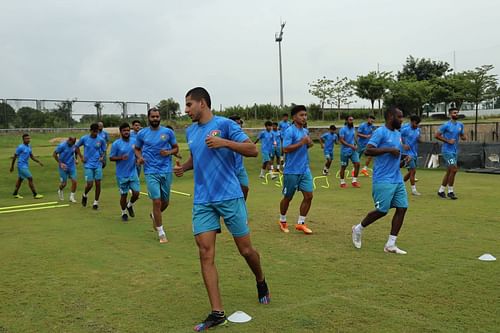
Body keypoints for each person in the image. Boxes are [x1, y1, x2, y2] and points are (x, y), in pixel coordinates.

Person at [174, 87, 269, 331]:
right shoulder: (191, 131)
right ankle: (217, 313)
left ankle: (260, 280)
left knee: (246, 250)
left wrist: (223, 142)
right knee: (205, 253)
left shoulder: (225, 125)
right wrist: (184, 167)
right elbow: (197, 157)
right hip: (203, 200)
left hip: (229, 196)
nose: (186, 110)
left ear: (202, 103)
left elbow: (252, 149)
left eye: (188, 105)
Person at [351, 107, 409, 255]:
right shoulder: (380, 132)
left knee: (402, 208)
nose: (402, 120)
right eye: (400, 117)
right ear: (391, 117)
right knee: (382, 210)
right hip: (383, 179)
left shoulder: (398, 134)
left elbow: (394, 156)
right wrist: (389, 150)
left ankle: (391, 244)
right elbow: (368, 150)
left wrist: (403, 160)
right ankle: (358, 228)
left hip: (396, 178)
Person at [135, 107, 178, 243]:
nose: (155, 119)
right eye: (153, 117)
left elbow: (175, 148)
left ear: (160, 118)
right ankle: (161, 232)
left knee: (165, 202)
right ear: (148, 118)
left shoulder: (168, 132)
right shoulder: (142, 133)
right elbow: (136, 148)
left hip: (165, 170)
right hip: (150, 171)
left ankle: (154, 215)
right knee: (156, 200)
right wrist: (140, 157)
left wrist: (169, 152)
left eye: (157, 117)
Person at [278, 105, 314, 234]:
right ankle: (282, 220)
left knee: (309, 196)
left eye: (305, 115)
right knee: (288, 197)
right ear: (294, 117)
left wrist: (309, 143)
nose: (304, 117)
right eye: (301, 115)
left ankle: (301, 223)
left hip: (305, 169)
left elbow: (307, 145)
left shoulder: (305, 131)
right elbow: (285, 149)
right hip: (291, 171)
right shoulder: (289, 131)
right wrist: (302, 142)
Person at [110, 123, 140, 222]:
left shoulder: (134, 141)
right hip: (121, 174)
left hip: (133, 172)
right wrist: (120, 158)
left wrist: (138, 159)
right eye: (124, 130)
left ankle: (129, 205)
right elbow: (111, 157)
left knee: (136, 193)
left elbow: (138, 151)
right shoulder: (116, 144)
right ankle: (123, 212)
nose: (126, 132)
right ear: (121, 131)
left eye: (128, 130)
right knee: (124, 195)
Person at [434, 107, 466, 200]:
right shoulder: (446, 125)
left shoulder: (460, 125)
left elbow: (462, 134)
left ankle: (441, 191)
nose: (456, 114)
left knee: (449, 171)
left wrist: (463, 137)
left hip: (455, 151)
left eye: (457, 113)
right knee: (454, 169)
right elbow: (436, 135)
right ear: (450, 115)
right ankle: (450, 192)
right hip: (447, 151)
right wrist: (447, 141)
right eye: (454, 113)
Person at [76, 123, 107, 209]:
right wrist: (81, 157)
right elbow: (76, 147)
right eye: (94, 132)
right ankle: (84, 195)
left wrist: (102, 157)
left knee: (98, 183)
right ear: (90, 131)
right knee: (89, 184)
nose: (95, 134)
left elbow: (104, 150)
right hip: (88, 164)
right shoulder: (84, 138)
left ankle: (96, 202)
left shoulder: (101, 139)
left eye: (96, 132)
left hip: (98, 164)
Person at [10, 134, 44, 199]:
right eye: (26, 139)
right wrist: (12, 167)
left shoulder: (29, 147)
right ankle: (35, 194)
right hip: (21, 165)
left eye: (29, 138)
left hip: (25, 165)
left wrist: (38, 161)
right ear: (23, 139)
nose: (28, 140)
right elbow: (14, 157)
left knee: (20, 180)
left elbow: (31, 156)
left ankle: (15, 193)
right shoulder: (20, 147)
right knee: (30, 178)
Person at [229, 115, 250, 200]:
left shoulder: (241, 137)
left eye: (239, 124)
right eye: (236, 124)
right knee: (229, 193)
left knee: (245, 188)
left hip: (240, 168)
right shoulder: (225, 136)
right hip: (228, 169)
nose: (238, 126)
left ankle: (241, 207)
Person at [401, 115, 422, 196]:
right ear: (412, 122)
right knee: (413, 171)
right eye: (416, 123)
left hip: (414, 153)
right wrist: (403, 145)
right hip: (407, 154)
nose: (417, 125)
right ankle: (414, 190)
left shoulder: (417, 130)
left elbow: (419, 140)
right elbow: (398, 136)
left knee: (411, 172)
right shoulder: (405, 130)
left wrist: (420, 139)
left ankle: (400, 185)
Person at [53, 136, 78, 202]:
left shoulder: (73, 145)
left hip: (72, 166)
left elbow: (74, 153)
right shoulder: (62, 146)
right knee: (64, 183)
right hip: (63, 167)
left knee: (74, 181)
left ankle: (71, 197)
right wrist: (60, 163)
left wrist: (76, 159)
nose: (73, 144)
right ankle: (60, 190)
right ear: (69, 140)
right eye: (72, 143)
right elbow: (54, 154)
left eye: (74, 143)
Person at [339, 116, 361, 188]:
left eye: (352, 120)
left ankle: (354, 181)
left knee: (357, 164)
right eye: (350, 120)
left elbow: (354, 137)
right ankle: (342, 182)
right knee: (344, 166)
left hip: (353, 150)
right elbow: (341, 140)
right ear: (346, 120)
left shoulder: (353, 128)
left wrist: (357, 144)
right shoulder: (342, 129)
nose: (351, 121)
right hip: (345, 151)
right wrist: (350, 146)